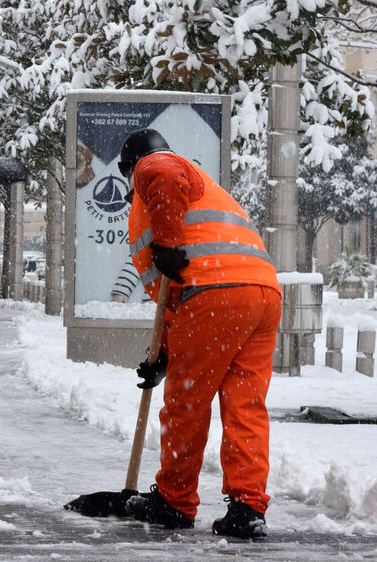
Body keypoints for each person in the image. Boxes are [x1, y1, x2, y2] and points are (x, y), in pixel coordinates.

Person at [117, 129, 281, 538]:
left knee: (186, 402)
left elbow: (161, 171)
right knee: (245, 405)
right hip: (260, 292)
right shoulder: (200, 194)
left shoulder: (155, 165)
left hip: (214, 292)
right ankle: (247, 507)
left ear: (130, 166)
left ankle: (174, 500)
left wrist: (166, 245)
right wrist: (163, 355)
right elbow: (171, 300)